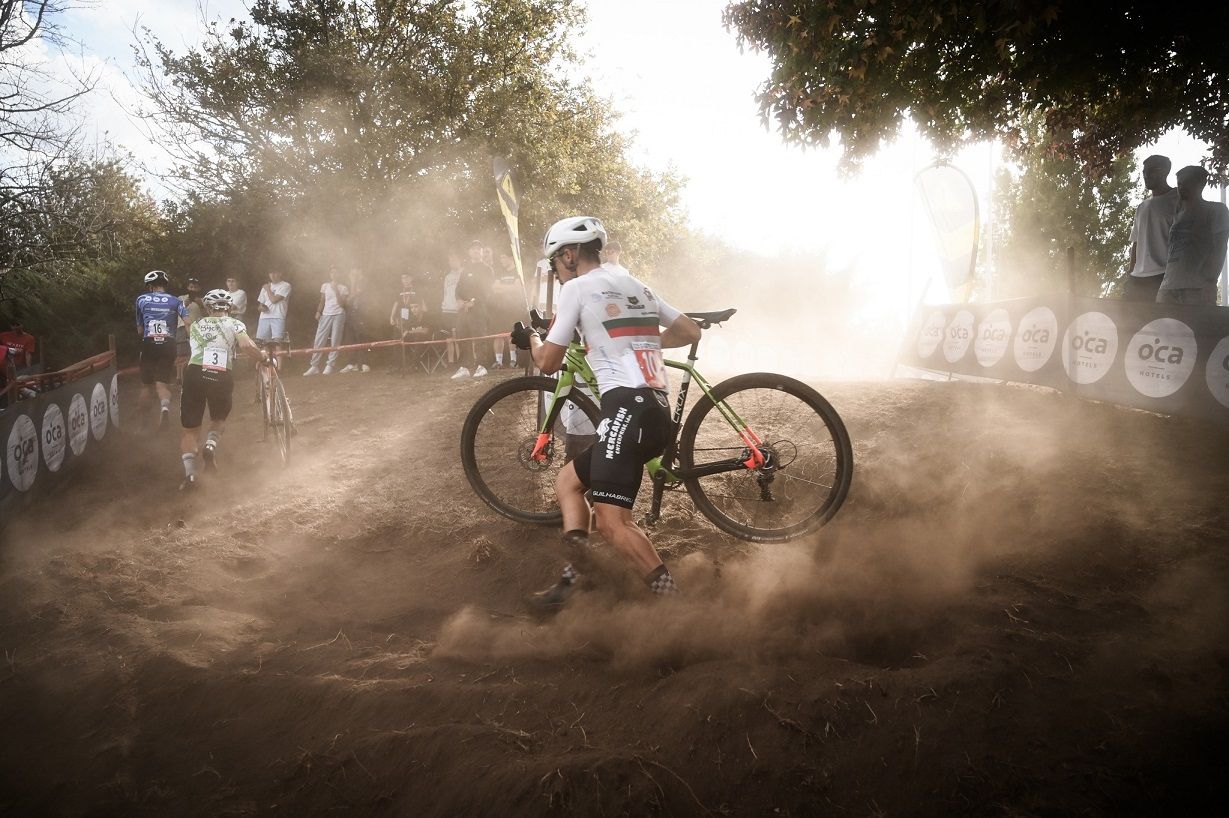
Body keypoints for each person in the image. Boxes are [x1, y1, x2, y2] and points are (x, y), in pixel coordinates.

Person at [512, 216, 701, 607]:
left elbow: (548, 362)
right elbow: (690, 331)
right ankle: (574, 580)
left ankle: (676, 606)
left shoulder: (577, 288)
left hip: (627, 409)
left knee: (613, 524)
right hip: (655, 410)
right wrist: (642, 342)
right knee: (568, 482)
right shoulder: (636, 284)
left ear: (569, 254)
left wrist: (530, 338)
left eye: (555, 262)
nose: (556, 271)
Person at [179, 289, 269, 489]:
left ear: (208, 308)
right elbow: (246, 345)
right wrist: (262, 357)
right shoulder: (234, 323)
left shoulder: (196, 324)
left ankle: (190, 475)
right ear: (229, 307)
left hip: (195, 373)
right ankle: (210, 445)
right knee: (218, 419)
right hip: (221, 374)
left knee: (190, 431)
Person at [1158, 166, 1229, 306]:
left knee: (1198, 321)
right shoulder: (1176, 215)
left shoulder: (1215, 210)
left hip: (1196, 288)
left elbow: (1220, 247)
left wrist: (1210, 280)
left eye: (1187, 183)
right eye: (1180, 183)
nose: (1182, 187)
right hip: (1167, 287)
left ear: (1201, 184)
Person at [134, 270, 189, 429]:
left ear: (150, 286)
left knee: (146, 385)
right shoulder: (176, 301)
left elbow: (139, 329)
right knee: (162, 384)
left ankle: (143, 424)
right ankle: (164, 407)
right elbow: (187, 322)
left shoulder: (141, 299)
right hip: (168, 344)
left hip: (149, 343)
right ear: (165, 285)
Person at [1123, 156, 1179, 302]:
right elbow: (1136, 241)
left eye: (1152, 170)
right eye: (1144, 171)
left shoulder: (1178, 199)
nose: (1146, 175)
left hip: (1164, 275)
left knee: (1161, 316)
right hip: (1137, 278)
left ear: (1165, 171)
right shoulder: (1142, 207)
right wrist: (1130, 272)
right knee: (1126, 315)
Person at [454, 240, 493, 379]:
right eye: (473, 248)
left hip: (479, 309)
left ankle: (481, 366)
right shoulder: (465, 269)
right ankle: (464, 367)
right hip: (463, 310)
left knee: (479, 337)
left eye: (478, 248)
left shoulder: (487, 269)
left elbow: (487, 290)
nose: (476, 250)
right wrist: (459, 300)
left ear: (482, 252)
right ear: (469, 252)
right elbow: (458, 288)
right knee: (462, 336)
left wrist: (473, 302)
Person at [305, 267, 349, 375]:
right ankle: (314, 366)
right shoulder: (325, 286)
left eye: (336, 272)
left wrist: (336, 290)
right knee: (319, 339)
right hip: (326, 314)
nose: (334, 274)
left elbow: (342, 304)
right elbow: (322, 300)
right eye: (332, 272)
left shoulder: (343, 288)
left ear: (340, 274)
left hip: (339, 314)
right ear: (330, 274)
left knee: (335, 339)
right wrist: (318, 311)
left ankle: (330, 365)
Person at [491, 251, 525, 369]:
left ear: (511, 258)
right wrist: (509, 288)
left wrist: (502, 287)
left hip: (513, 308)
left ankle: (513, 360)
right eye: (500, 258)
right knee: (498, 335)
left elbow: (517, 289)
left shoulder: (518, 272)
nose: (501, 260)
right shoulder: (500, 272)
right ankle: (499, 362)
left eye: (503, 257)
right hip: (500, 308)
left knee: (511, 334)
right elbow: (495, 288)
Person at [256, 269, 292, 370]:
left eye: (275, 273)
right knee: (263, 343)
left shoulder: (285, 285)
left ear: (280, 273)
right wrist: (262, 308)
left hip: (278, 316)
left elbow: (274, 300)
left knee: (277, 342)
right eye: (271, 273)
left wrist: (268, 289)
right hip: (264, 317)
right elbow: (260, 305)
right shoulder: (265, 287)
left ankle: (279, 368)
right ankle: (266, 368)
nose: (273, 275)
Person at [339, 266, 373, 373]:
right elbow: (345, 302)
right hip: (351, 314)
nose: (351, 274)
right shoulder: (349, 284)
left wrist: (353, 282)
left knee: (361, 338)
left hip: (362, 313)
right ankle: (351, 364)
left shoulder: (364, 282)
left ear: (359, 271)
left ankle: (365, 363)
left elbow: (352, 296)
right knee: (350, 339)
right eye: (351, 272)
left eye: (354, 272)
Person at [440, 251, 464, 372]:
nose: (451, 262)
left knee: (457, 337)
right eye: (449, 260)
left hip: (458, 310)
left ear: (460, 260)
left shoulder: (463, 273)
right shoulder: (448, 276)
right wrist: (444, 303)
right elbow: (445, 292)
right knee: (448, 338)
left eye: (453, 260)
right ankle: (451, 362)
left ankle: (460, 361)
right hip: (446, 310)